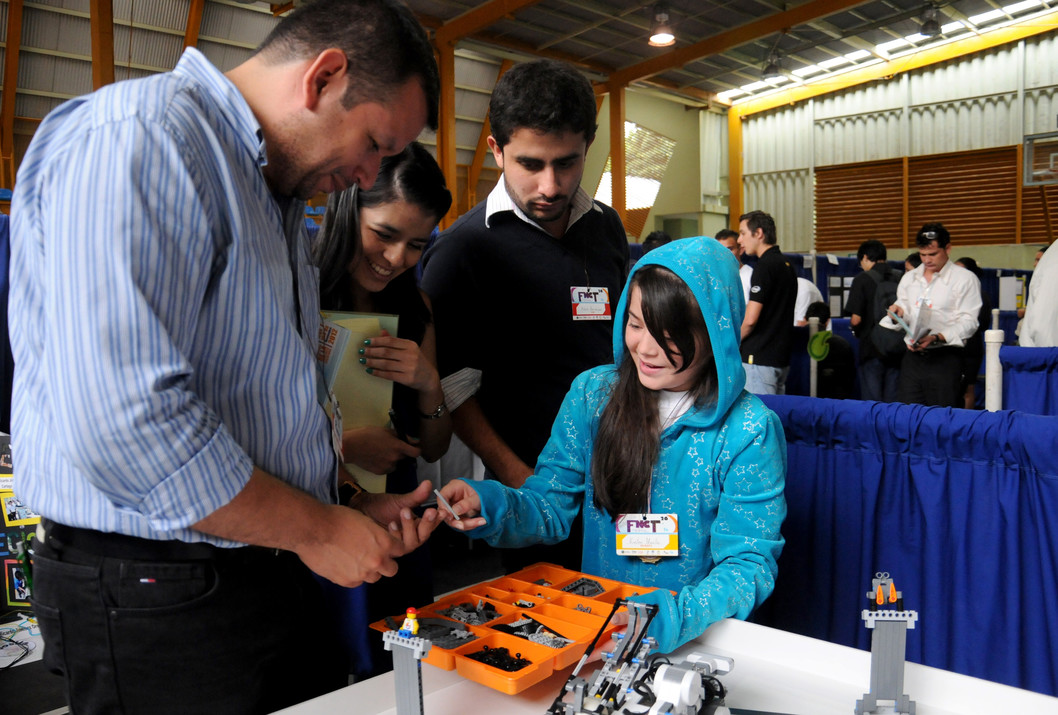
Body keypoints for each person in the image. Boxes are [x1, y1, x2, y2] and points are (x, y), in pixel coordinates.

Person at [9, 1, 444, 712]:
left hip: (252, 569)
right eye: (374, 142)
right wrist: (315, 528)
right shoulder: (145, 138)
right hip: (159, 589)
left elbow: (257, 401)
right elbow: (126, 423)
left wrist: (347, 503)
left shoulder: (270, 195)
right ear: (324, 77)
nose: (370, 173)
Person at [438, 236, 786, 655]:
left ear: (716, 334)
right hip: (599, 632)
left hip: (695, 641)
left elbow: (748, 564)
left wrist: (666, 618)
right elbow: (549, 508)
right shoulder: (594, 395)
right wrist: (489, 503)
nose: (645, 348)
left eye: (671, 335)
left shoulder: (748, 429)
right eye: (636, 324)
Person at [420, 59, 629, 573]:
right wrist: (523, 482)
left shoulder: (606, 229)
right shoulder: (464, 251)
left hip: (622, 481)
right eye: (531, 164)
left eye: (567, 162)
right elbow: (453, 386)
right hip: (530, 490)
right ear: (496, 151)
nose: (551, 185)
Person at [313, 141, 453, 677]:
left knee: (402, 667)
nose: (396, 259)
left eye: (417, 244)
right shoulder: (301, 294)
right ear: (348, 208)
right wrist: (344, 451)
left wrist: (428, 383)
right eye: (385, 234)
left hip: (401, 515)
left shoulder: (417, 308)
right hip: (320, 517)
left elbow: (435, 445)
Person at [882, 223, 982, 407]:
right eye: (922, 254)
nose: (927, 260)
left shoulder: (965, 279)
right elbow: (904, 305)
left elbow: (969, 322)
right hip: (912, 360)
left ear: (948, 248)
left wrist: (937, 337)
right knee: (908, 415)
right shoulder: (910, 278)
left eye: (933, 254)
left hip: (945, 358)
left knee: (942, 418)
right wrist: (899, 311)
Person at [737, 210, 798, 395]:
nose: (740, 240)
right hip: (780, 359)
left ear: (759, 234)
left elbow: (750, 320)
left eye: (743, 233)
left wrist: (730, 341)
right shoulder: (786, 265)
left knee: (759, 421)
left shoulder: (764, 267)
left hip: (759, 360)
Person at [843, 239, 902, 402]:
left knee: (872, 402)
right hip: (897, 347)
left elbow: (856, 319)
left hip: (872, 347)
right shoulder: (900, 276)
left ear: (865, 257)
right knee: (893, 401)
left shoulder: (862, 279)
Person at [954, 257, 991, 409]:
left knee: (968, 388)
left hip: (971, 347)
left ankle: (967, 422)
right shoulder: (953, 292)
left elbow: (982, 323)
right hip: (954, 345)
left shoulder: (980, 294)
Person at [804, 301, 856, 399]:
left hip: (802, 402)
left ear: (805, 318)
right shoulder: (842, 345)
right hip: (838, 402)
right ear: (828, 321)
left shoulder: (797, 344)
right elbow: (850, 379)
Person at [1020, 244, 1058, 347]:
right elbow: (1042, 327)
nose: (1034, 264)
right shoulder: (1052, 263)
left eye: (1038, 260)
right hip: (1048, 351)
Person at [715, 227, 752, 304]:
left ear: (740, 250)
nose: (724, 254)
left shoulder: (751, 276)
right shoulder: (713, 277)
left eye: (729, 249)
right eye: (720, 250)